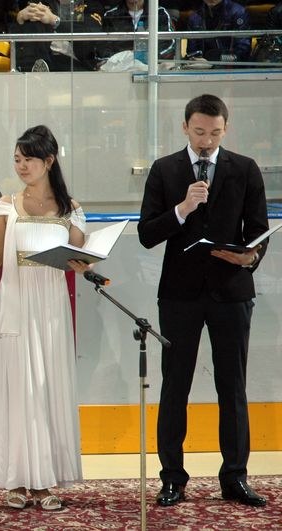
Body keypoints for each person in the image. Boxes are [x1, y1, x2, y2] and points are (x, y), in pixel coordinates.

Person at [138, 94, 269, 508]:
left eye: (214, 133)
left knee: (232, 386)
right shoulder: (164, 170)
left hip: (231, 292)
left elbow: (260, 231)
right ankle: (172, 478)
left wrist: (250, 256)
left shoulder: (245, 169)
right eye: (199, 132)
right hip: (179, 294)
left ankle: (235, 476)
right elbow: (147, 234)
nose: (207, 140)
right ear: (184, 128)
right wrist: (182, 208)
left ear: (225, 129)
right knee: (175, 385)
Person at [0, 125, 87, 510]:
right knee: (18, 392)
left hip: (51, 309)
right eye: (17, 159)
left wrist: (84, 262)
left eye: (28, 159)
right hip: (15, 303)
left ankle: (46, 482)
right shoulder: (5, 204)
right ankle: (15, 480)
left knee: (48, 390)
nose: (21, 166)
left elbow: (80, 259)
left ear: (48, 161)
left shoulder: (70, 208)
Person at [13, 0, 104, 72]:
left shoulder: (90, 4)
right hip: (39, 61)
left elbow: (88, 34)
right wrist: (20, 19)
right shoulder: (40, 2)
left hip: (75, 63)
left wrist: (54, 20)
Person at [98, 0, 176, 65]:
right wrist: (115, 60)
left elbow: (169, 44)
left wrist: (149, 57)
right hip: (119, 68)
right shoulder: (110, 15)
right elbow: (104, 46)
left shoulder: (159, 13)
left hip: (153, 66)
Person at [185, 0, 251, 64]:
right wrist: (196, 61)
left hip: (233, 69)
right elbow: (191, 52)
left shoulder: (238, 13)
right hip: (201, 68)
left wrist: (214, 61)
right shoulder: (194, 18)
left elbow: (242, 53)